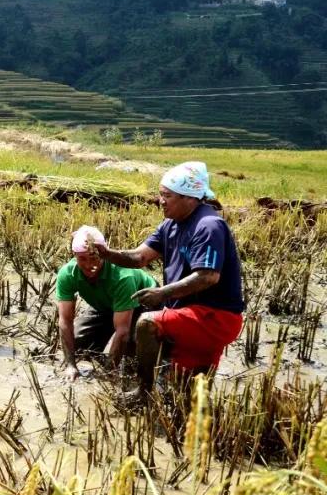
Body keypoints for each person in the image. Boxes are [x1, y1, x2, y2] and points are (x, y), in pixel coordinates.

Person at [95, 162, 244, 407]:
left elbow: (208, 276)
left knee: (146, 323)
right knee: (188, 399)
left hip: (215, 317)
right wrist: (106, 253)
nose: (160, 201)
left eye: (167, 196)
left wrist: (161, 293)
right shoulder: (170, 225)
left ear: (189, 198)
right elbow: (139, 258)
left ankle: (143, 392)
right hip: (187, 315)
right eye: (160, 194)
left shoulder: (208, 225)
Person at [55, 226, 158, 380]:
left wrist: (108, 374)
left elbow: (122, 331)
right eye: (82, 259)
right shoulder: (67, 274)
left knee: (129, 356)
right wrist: (71, 365)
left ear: (103, 255)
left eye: (94, 257)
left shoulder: (123, 276)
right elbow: (65, 320)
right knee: (78, 343)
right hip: (106, 306)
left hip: (142, 305)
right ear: (74, 255)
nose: (89, 265)